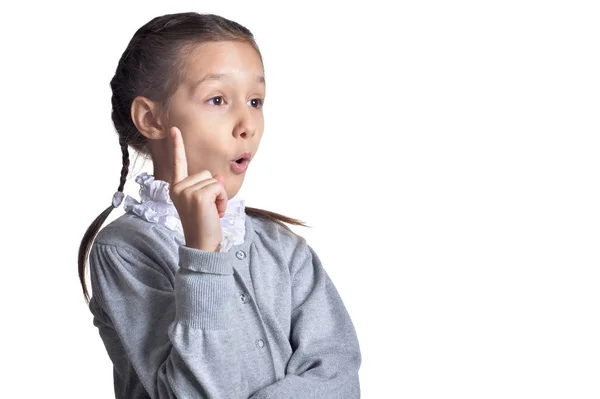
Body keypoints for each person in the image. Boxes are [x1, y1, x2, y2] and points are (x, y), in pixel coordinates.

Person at [78, 11, 362, 399]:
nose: (248, 124)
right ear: (151, 118)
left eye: (256, 100)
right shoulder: (124, 250)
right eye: (217, 99)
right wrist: (203, 256)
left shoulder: (282, 247)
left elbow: (338, 376)